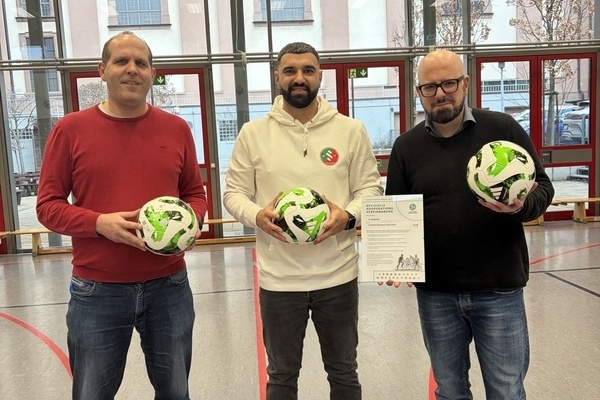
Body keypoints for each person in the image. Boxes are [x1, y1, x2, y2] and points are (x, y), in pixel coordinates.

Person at [36, 31, 207, 400]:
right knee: (92, 394)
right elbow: (48, 205)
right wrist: (99, 224)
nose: (132, 70)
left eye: (141, 63)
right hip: (97, 291)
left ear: (152, 73)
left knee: (176, 392)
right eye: (122, 61)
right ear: (102, 70)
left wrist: (191, 221)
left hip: (169, 287)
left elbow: (194, 193)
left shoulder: (177, 129)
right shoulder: (70, 130)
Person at [385, 49, 554, 400]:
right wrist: (392, 258)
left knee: (506, 391)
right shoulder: (406, 147)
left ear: (465, 83)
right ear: (418, 92)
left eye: (448, 83)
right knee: (450, 391)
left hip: (499, 289)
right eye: (429, 87)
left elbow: (543, 187)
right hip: (436, 293)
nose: (440, 93)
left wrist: (520, 207)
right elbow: (395, 211)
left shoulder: (502, 129)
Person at [223, 42, 383, 399]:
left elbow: (370, 190)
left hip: (338, 276)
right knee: (281, 376)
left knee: (344, 372)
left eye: (308, 70)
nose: (299, 78)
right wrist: (257, 215)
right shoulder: (253, 133)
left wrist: (347, 216)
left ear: (319, 76)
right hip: (279, 280)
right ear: (277, 77)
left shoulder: (350, 130)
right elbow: (233, 194)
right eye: (290, 71)